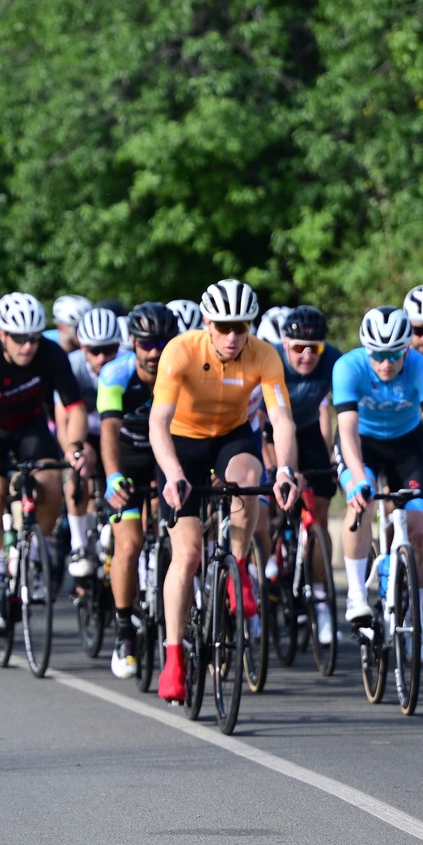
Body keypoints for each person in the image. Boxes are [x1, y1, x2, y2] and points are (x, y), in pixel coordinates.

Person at [147, 279, 301, 702]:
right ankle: (174, 657)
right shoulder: (180, 351)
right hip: (181, 444)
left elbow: (282, 419)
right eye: (224, 327)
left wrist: (286, 468)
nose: (233, 337)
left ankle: (238, 567)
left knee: (251, 480)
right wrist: (174, 473)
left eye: (242, 327)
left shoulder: (263, 355)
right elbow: (158, 423)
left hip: (231, 436)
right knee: (189, 553)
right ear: (207, 322)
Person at [0, 293, 88, 633]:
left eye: (33, 338)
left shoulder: (52, 354)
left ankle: (35, 555)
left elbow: (75, 409)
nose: (27, 346)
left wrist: (73, 446)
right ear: (3, 336)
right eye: (18, 338)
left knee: (53, 481)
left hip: (29, 427)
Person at [331, 306, 423, 652]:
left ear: (407, 349)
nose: (386, 363)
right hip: (362, 443)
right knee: (358, 507)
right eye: (378, 355)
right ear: (365, 349)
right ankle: (357, 595)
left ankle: (415, 616)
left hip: (407, 445)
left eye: (394, 355)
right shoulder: (347, 367)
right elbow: (345, 429)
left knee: (420, 532)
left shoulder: (421, 368)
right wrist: (358, 479)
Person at [98, 301, 176, 678]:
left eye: (162, 342)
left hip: (167, 459)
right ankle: (124, 628)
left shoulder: (181, 372)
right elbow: (109, 430)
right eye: (146, 343)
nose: (154, 351)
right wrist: (112, 476)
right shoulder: (116, 373)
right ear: (132, 342)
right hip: (126, 460)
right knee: (128, 545)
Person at [274, 304, 342, 644]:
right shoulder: (270, 360)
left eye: (313, 349)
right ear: (285, 344)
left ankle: (319, 597)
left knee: (318, 515)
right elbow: (257, 419)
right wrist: (283, 468)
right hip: (270, 430)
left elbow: (342, 412)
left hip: (309, 432)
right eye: (298, 347)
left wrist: (338, 457)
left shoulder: (333, 360)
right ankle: (268, 565)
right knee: (271, 497)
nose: (305, 356)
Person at [63, 304, 121, 580]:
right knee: (78, 468)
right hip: (84, 431)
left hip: (117, 432)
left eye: (108, 349)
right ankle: (78, 545)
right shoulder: (71, 365)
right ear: (82, 346)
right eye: (93, 351)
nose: (101, 358)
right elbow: (63, 418)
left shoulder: (127, 362)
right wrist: (71, 452)